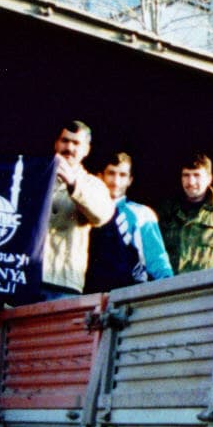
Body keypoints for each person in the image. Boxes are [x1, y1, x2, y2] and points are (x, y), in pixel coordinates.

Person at [40, 119, 115, 298]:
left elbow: (101, 216)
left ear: (86, 150)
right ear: (56, 144)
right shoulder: (37, 176)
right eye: (65, 141)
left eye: (76, 143)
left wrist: (74, 184)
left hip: (64, 282)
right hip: (28, 276)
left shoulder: (93, 184)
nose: (69, 148)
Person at [84, 152, 173, 293]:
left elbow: (157, 260)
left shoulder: (142, 214)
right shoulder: (82, 209)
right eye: (111, 173)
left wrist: (169, 289)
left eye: (122, 175)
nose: (116, 181)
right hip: (86, 295)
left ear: (130, 180)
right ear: (100, 176)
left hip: (128, 296)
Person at [160, 153, 213, 273]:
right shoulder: (166, 212)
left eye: (196, 175)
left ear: (209, 178)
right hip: (170, 288)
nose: (191, 181)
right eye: (186, 175)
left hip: (208, 289)